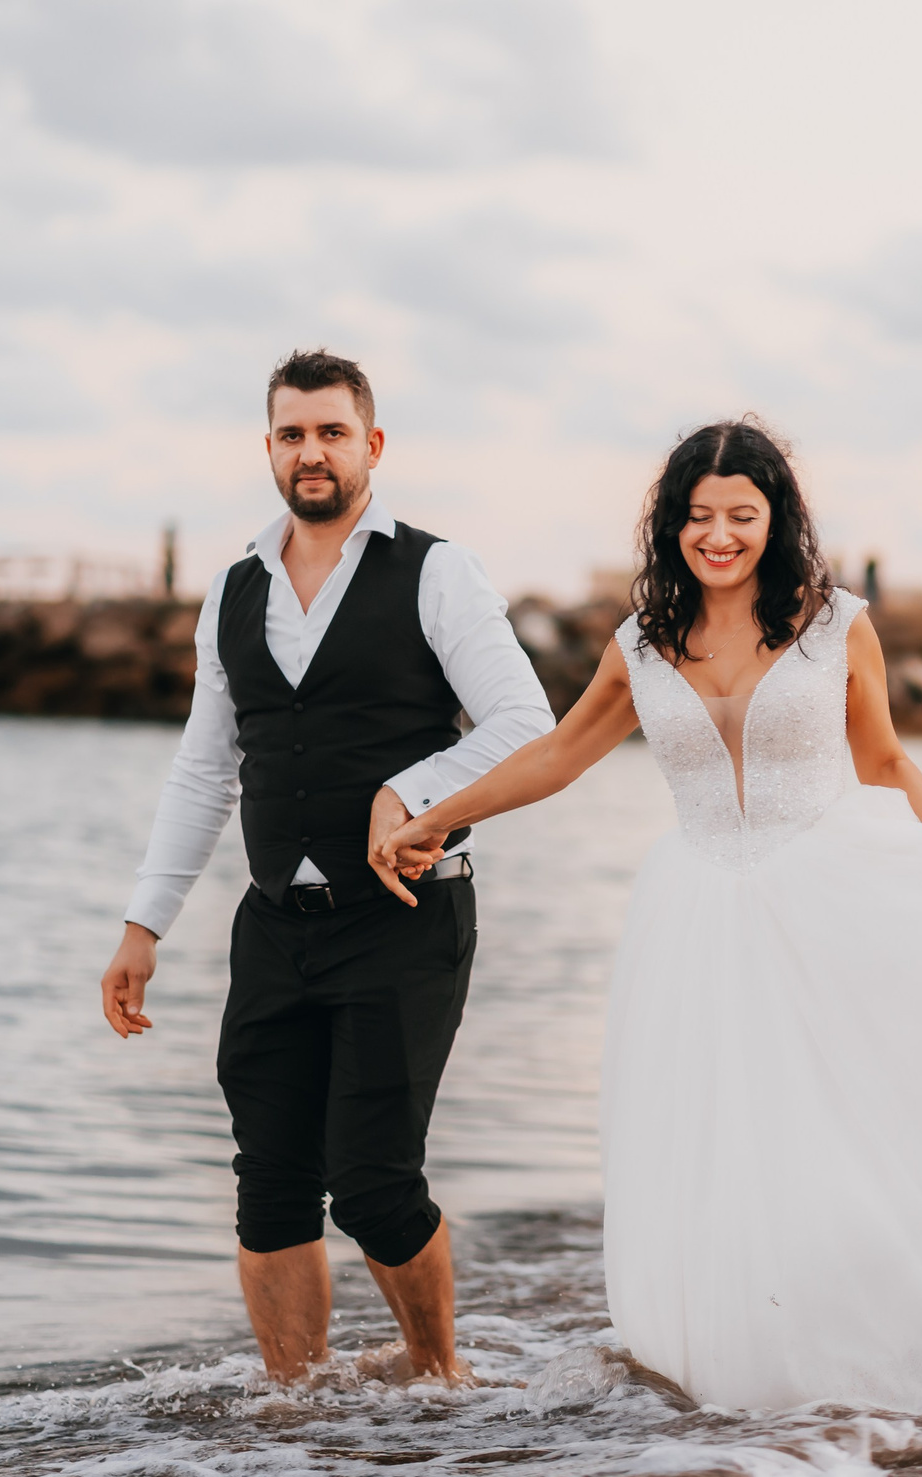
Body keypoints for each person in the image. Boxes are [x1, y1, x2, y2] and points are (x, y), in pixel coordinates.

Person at [375, 419, 922, 1413]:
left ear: (774, 518)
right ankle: (753, 1375)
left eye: (741, 514)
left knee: (857, 1132)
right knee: (736, 1150)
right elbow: (560, 756)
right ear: (671, 527)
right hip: (697, 922)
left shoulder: (835, 624)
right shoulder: (642, 644)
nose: (719, 536)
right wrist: (435, 817)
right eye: (698, 517)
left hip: (833, 895)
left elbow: (884, 757)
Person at [98, 349, 555, 1387]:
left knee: (374, 1183)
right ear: (269, 448)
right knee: (269, 1187)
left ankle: (442, 1382)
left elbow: (527, 723)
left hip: (404, 917)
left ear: (372, 446)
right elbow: (205, 769)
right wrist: (143, 925)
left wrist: (412, 792)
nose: (312, 451)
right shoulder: (232, 589)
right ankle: (295, 1421)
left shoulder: (436, 571)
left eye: (332, 432)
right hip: (274, 927)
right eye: (292, 433)